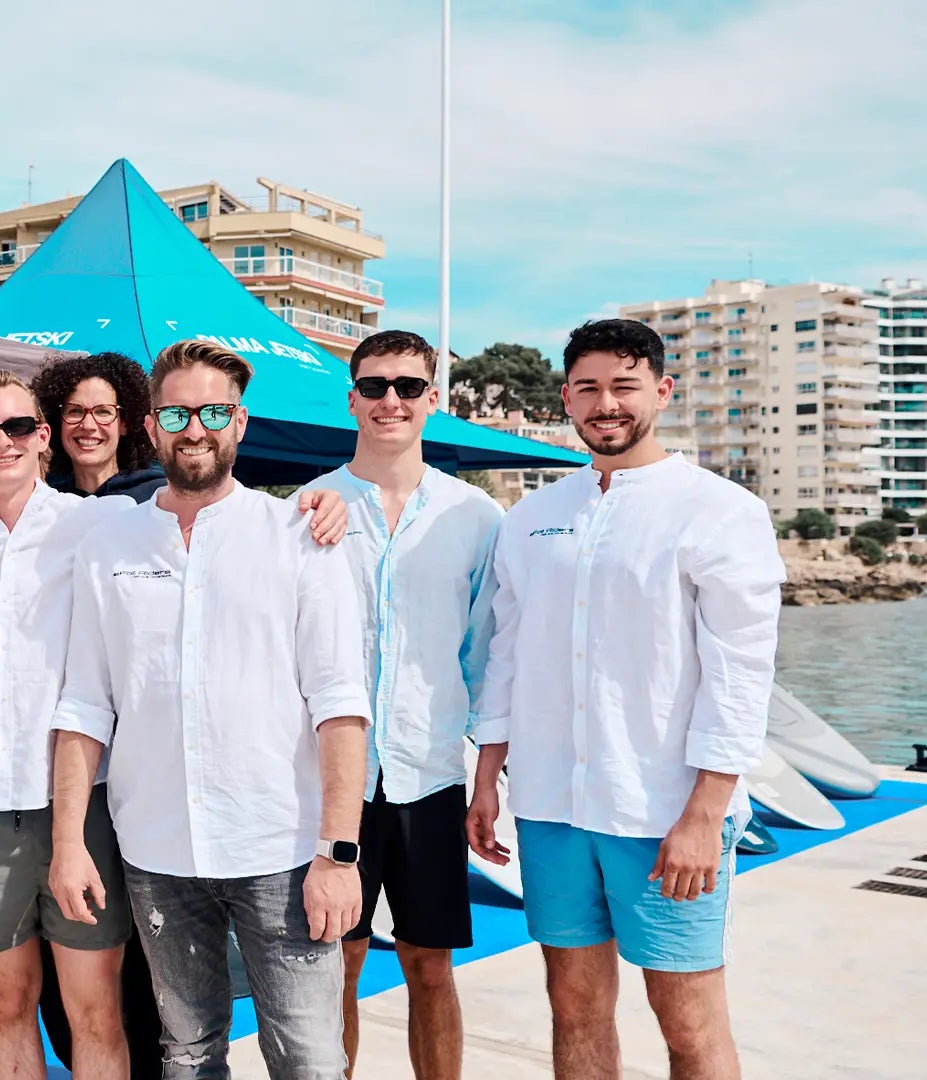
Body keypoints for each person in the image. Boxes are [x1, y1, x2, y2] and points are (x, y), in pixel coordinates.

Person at [467, 318, 784, 1080]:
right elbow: (508, 653)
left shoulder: (718, 510)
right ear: (567, 400)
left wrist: (705, 815)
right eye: (587, 389)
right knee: (573, 1008)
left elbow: (740, 673)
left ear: (662, 393)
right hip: (550, 807)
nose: (605, 404)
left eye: (623, 386)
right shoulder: (532, 517)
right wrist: (486, 777)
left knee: (689, 1022)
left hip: (664, 813)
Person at [49, 339, 371, 1079]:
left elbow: (341, 706)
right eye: (179, 412)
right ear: (153, 426)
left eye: (215, 411)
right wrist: (68, 840)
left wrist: (338, 852)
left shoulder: (298, 533)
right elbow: (84, 705)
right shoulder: (109, 542)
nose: (196, 427)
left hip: (282, 851)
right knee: (188, 1055)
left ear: (242, 423)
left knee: (310, 1059)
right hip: (157, 851)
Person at [0, 371, 137, 1080]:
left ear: (44, 437)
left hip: (79, 800)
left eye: (16, 427)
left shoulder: (97, 522)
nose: (0, 442)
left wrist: (316, 501)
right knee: (7, 1002)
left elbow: (208, 511)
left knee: (95, 1006)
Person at [300, 331, 502, 1080]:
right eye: (376, 386)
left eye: (408, 387)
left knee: (429, 965)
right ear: (352, 398)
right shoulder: (306, 508)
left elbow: (487, 659)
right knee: (337, 964)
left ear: (432, 400)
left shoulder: (474, 518)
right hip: (334, 784)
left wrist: (487, 778)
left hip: (429, 775)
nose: (392, 400)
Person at [29, 351, 167, 501]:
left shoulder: (159, 495)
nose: (88, 425)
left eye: (103, 412)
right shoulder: (44, 499)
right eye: (75, 411)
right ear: (58, 422)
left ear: (125, 424)